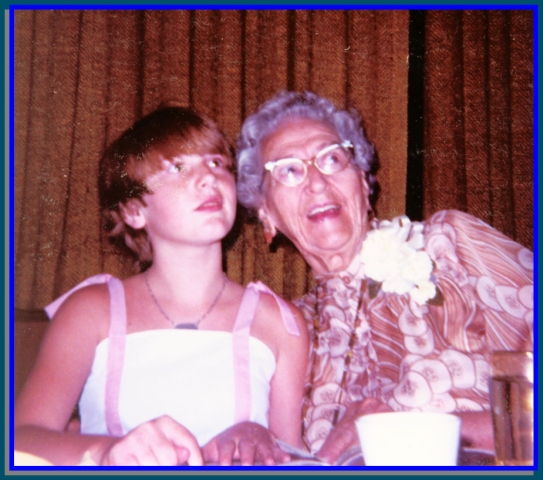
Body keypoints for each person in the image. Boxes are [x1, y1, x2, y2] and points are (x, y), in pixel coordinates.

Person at [235, 90, 533, 463]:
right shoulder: (287, 330)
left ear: (363, 182)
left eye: (332, 158)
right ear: (266, 214)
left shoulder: (449, 246)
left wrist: (405, 431)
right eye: (289, 170)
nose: (316, 183)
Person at [14, 105, 309, 466]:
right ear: (133, 211)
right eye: (178, 168)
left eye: (217, 162)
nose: (209, 178)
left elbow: (296, 459)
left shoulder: (280, 321)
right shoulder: (91, 309)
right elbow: (21, 437)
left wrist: (263, 437)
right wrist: (107, 452)